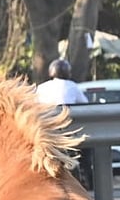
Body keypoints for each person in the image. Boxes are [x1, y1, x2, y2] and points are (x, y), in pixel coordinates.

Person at [36, 58, 91, 186]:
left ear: (51, 72)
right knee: (85, 152)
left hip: (47, 130)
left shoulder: (42, 88)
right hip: (69, 129)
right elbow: (84, 104)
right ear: (67, 73)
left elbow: (35, 105)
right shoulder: (72, 86)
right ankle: (86, 177)